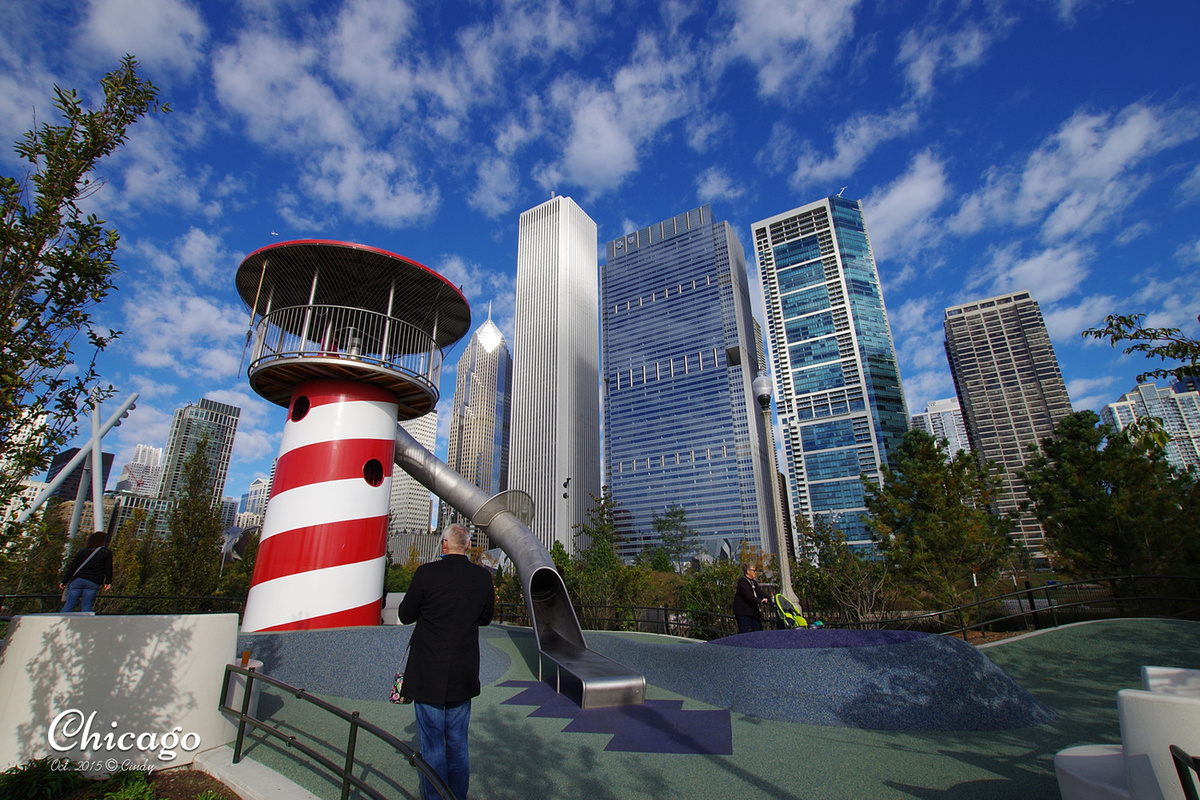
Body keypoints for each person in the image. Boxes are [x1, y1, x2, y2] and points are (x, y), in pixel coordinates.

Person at [398, 523, 495, 800]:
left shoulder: (427, 573)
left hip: (428, 669)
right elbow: (486, 618)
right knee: (457, 742)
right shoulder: (482, 577)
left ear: (444, 545)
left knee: (432, 746)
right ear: (466, 546)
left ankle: (435, 796)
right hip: (463, 671)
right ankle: (457, 797)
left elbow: (406, 614)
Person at [59, 531, 113, 613]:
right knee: (87, 606)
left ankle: (61, 621)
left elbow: (72, 567)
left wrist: (64, 581)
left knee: (69, 605)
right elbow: (108, 568)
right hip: (93, 581)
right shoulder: (106, 552)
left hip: (77, 579)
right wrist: (108, 581)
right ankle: (85, 623)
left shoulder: (83, 551)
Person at [732, 563, 768, 634]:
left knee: (758, 631)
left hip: (753, 611)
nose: (755, 572)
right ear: (748, 571)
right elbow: (748, 595)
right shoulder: (742, 582)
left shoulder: (753, 582)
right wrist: (759, 601)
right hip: (743, 612)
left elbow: (759, 592)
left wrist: (769, 598)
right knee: (744, 632)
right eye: (754, 570)